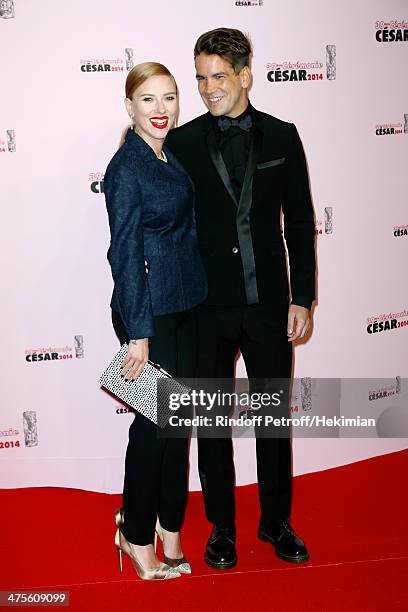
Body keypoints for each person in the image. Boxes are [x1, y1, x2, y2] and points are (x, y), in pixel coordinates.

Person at [166, 28, 316, 569]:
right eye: (201, 77)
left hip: (270, 302)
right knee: (212, 423)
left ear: (245, 75)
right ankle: (221, 527)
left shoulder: (282, 136)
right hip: (206, 306)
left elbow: (299, 220)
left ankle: (276, 521)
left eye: (218, 77)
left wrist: (304, 297)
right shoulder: (180, 143)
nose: (207, 89)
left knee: (273, 418)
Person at [103, 62, 207, 580]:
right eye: (148, 99)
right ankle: (137, 534)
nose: (161, 109)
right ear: (130, 106)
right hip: (151, 315)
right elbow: (123, 254)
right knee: (152, 430)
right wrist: (138, 334)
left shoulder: (166, 154)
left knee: (177, 426)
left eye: (169, 97)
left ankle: (170, 527)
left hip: (187, 304)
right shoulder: (126, 168)